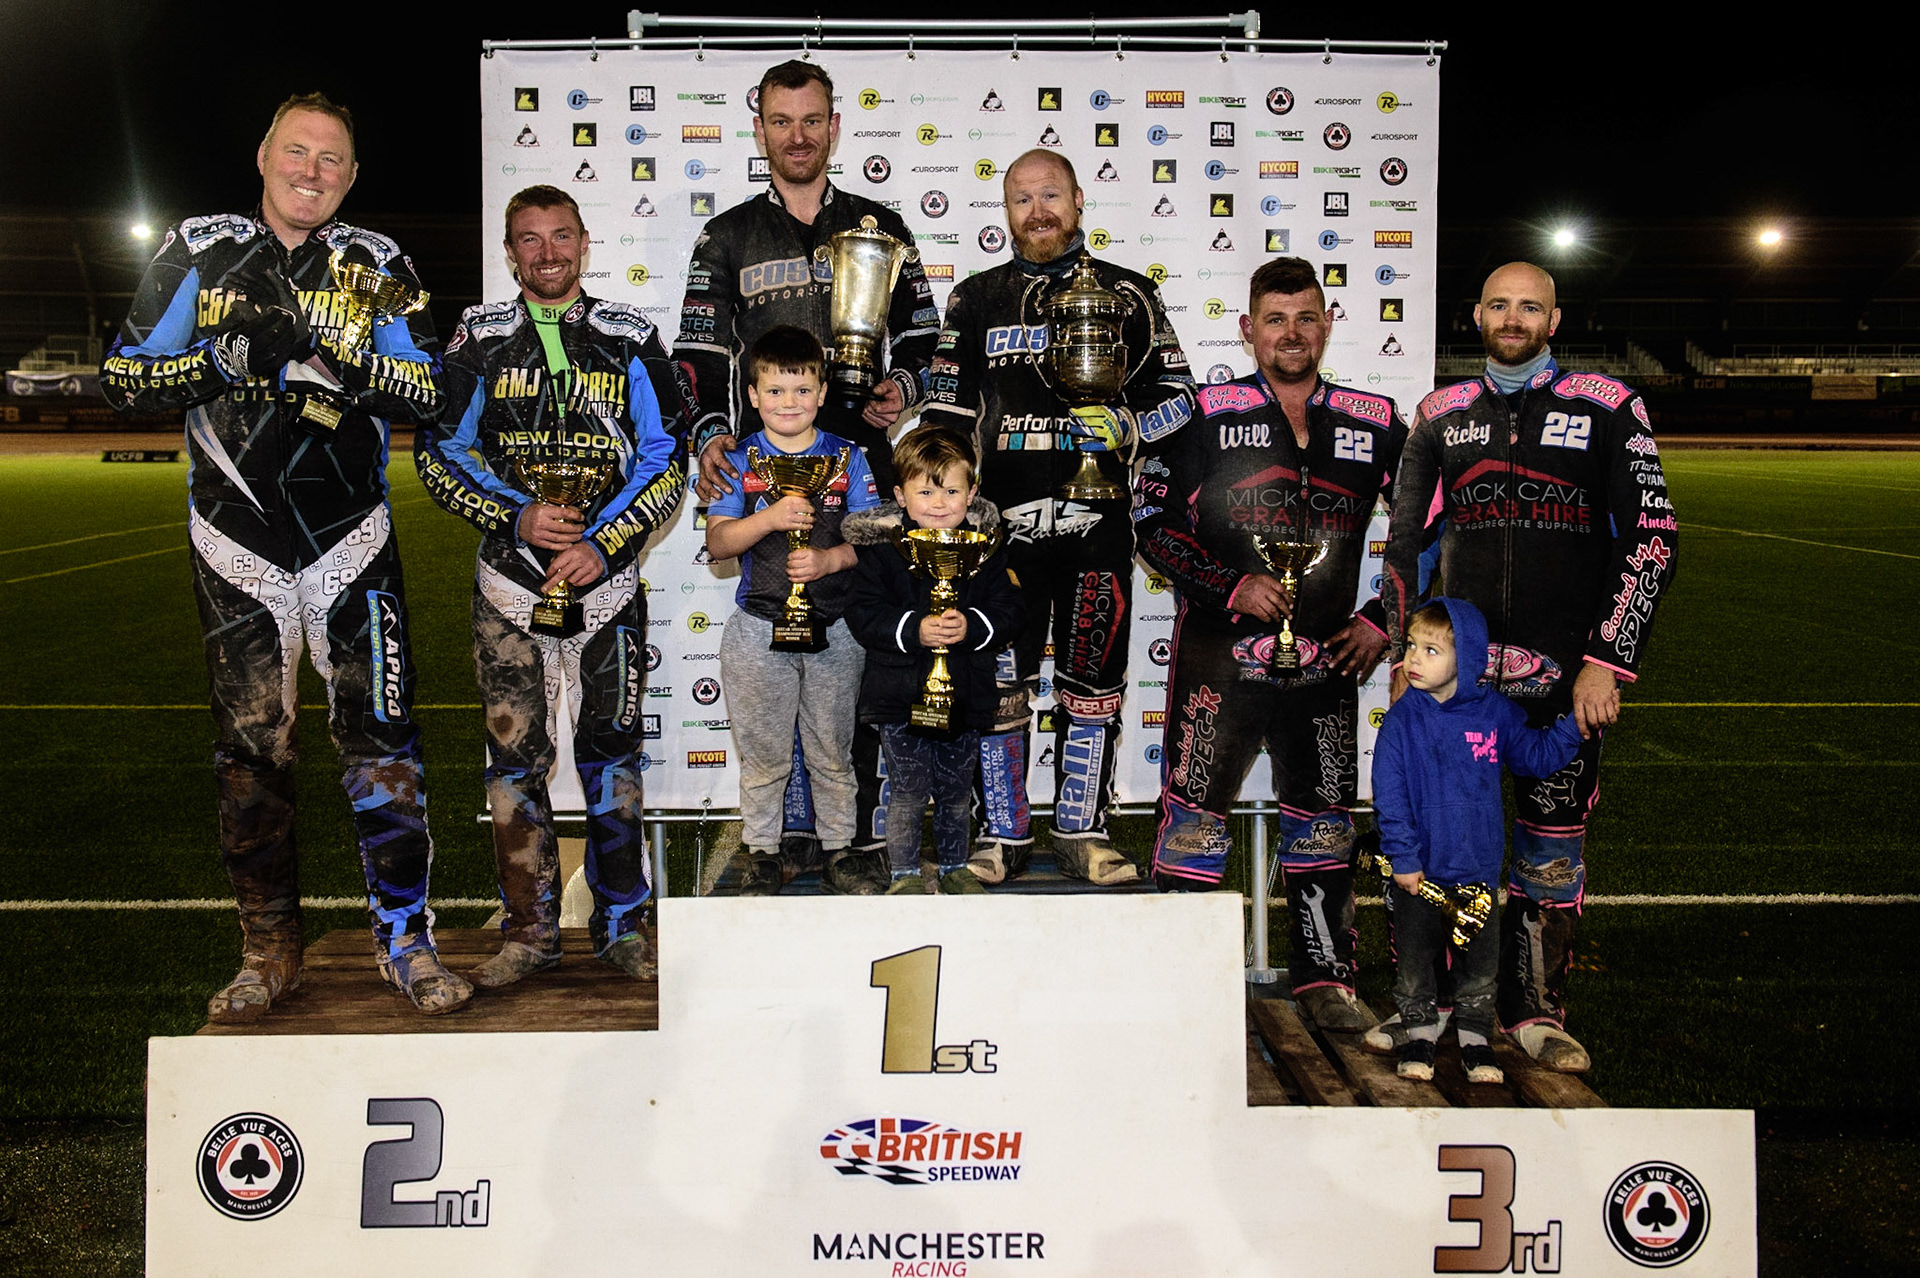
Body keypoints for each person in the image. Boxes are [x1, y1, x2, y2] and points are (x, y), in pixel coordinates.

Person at [99, 93, 466, 1019]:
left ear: (352, 176)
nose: (312, 171)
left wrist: (334, 357)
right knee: (253, 755)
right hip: (236, 548)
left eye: (333, 159)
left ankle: (406, 942)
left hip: (353, 544)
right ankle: (268, 952)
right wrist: (225, 357)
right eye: (297, 152)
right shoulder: (199, 247)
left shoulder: (376, 263)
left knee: (383, 746)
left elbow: (431, 392)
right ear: (263, 155)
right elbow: (126, 375)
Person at [1379, 260, 1679, 1071]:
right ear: (1476, 315)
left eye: (1530, 307)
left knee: (1550, 847)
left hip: (1563, 681)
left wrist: (1606, 662)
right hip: (1455, 686)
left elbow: (1652, 537)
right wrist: (1410, 654)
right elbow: (1409, 542)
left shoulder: (1610, 405)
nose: (1513, 317)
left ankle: (1536, 1012)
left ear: (1555, 318)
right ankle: (1436, 1003)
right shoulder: (1440, 415)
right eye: (1500, 305)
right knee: (1438, 845)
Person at [414, 184, 688, 986]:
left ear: (584, 243)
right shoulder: (476, 339)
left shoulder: (630, 336)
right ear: (509, 252)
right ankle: (529, 932)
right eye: (528, 240)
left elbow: (664, 455)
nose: (546, 253)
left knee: (614, 759)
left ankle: (623, 925)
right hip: (509, 589)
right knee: (512, 764)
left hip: (605, 588)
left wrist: (605, 544)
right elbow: (439, 451)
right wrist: (516, 517)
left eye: (560, 236)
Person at [676, 58, 939, 877]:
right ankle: (780, 836)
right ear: (760, 129)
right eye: (782, 121)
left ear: (834, 127)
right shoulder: (726, 236)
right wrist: (715, 432)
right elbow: (695, 352)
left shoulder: (881, 225)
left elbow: (928, 334)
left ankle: (848, 834)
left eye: (813, 120)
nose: (798, 136)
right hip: (761, 463)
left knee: (853, 647)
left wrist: (908, 384)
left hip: (858, 456)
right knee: (773, 637)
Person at [1133, 256, 1405, 1029]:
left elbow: (1425, 528)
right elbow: (1153, 525)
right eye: (1276, 320)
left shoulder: (1376, 419)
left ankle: (1326, 980)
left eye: (1307, 317)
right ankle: (1181, 980)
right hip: (1218, 657)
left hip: (1327, 659)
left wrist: (1382, 618)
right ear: (1249, 329)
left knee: (1323, 818)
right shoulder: (1199, 414)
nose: (1293, 333)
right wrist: (1230, 585)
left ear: (1328, 324)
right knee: (1194, 817)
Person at [920, 148, 1197, 887]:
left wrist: (1129, 427)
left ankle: (1083, 828)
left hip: (1098, 529)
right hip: (995, 537)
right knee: (999, 685)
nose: (1037, 211)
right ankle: (1001, 836)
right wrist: (940, 498)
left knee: (1092, 684)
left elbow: (1182, 396)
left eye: (1050, 195)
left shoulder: (1131, 294)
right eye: (1020, 199)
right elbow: (946, 410)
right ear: (1006, 212)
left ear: (1078, 201)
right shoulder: (974, 300)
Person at [705, 326, 884, 894]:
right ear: (753, 396)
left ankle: (839, 849)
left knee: (833, 751)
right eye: (776, 391)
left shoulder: (848, 457)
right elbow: (718, 544)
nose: (789, 403)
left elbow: (875, 538)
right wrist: (770, 518)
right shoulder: (738, 460)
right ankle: (761, 850)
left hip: (834, 629)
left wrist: (830, 560)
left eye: (802, 391)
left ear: (823, 393)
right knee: (764, 755)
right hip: (758, 627)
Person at [1374, 598, 1583, 1083]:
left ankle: (1475, 1038)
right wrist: (1403, 858)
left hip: (1479, 874)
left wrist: (1576, 724)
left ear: (1466, 658)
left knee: (1479, 968)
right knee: (1415, 964)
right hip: (1419, 876)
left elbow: (1535, 756)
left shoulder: (1496, 714)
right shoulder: (1403, 721)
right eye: (1411, 647)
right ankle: (1420, 1034)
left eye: (1430, 650)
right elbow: (1390, 795)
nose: (1413, 660)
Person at [843, 429, 1025, 895]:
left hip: (965, 693)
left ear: (973, 492)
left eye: (951, 490)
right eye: (925, 490)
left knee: (954, 792)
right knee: (906, 792)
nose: (939, 502)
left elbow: (1011, 610)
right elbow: (863, 614)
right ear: (901, 496)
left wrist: (974, 625)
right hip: (898, 697)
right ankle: (904, 875)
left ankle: (954, 869)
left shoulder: (985, 548)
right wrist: (913, 629)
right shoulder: (881, 550)